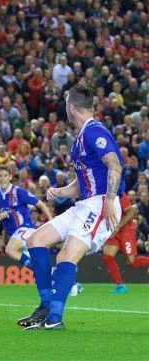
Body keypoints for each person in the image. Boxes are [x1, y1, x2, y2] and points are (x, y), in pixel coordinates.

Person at [22, 85, 125, 331]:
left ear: (71, 106)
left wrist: (109, 200)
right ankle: (46, 305)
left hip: (100, 203)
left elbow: (115, 165)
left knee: (65, 256)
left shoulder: (94, 131)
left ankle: (55, 318)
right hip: (85, 203)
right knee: (35, 240)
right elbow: (84, 180)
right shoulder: (80, 137)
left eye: (66, 104)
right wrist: (63, 191)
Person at [0, 165, 53, 268]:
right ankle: (57, 277)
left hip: (25, 228)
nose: (2, 179)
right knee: (38, 267)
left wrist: (51, 220)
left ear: (10, 177)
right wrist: (0, 215)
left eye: (5, 176)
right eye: (0, 176)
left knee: (10, 250)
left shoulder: (19, 192)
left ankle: (39, 270)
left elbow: (40, 204)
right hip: (14, 233)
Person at [102, 193, 149, 293]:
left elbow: (131, 212)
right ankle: (120, 285)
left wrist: (118, 227)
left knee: (132, 263)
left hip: (125, 230)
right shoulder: (102, 195)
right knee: (107, 257)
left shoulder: (119, 194)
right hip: (113, 229)